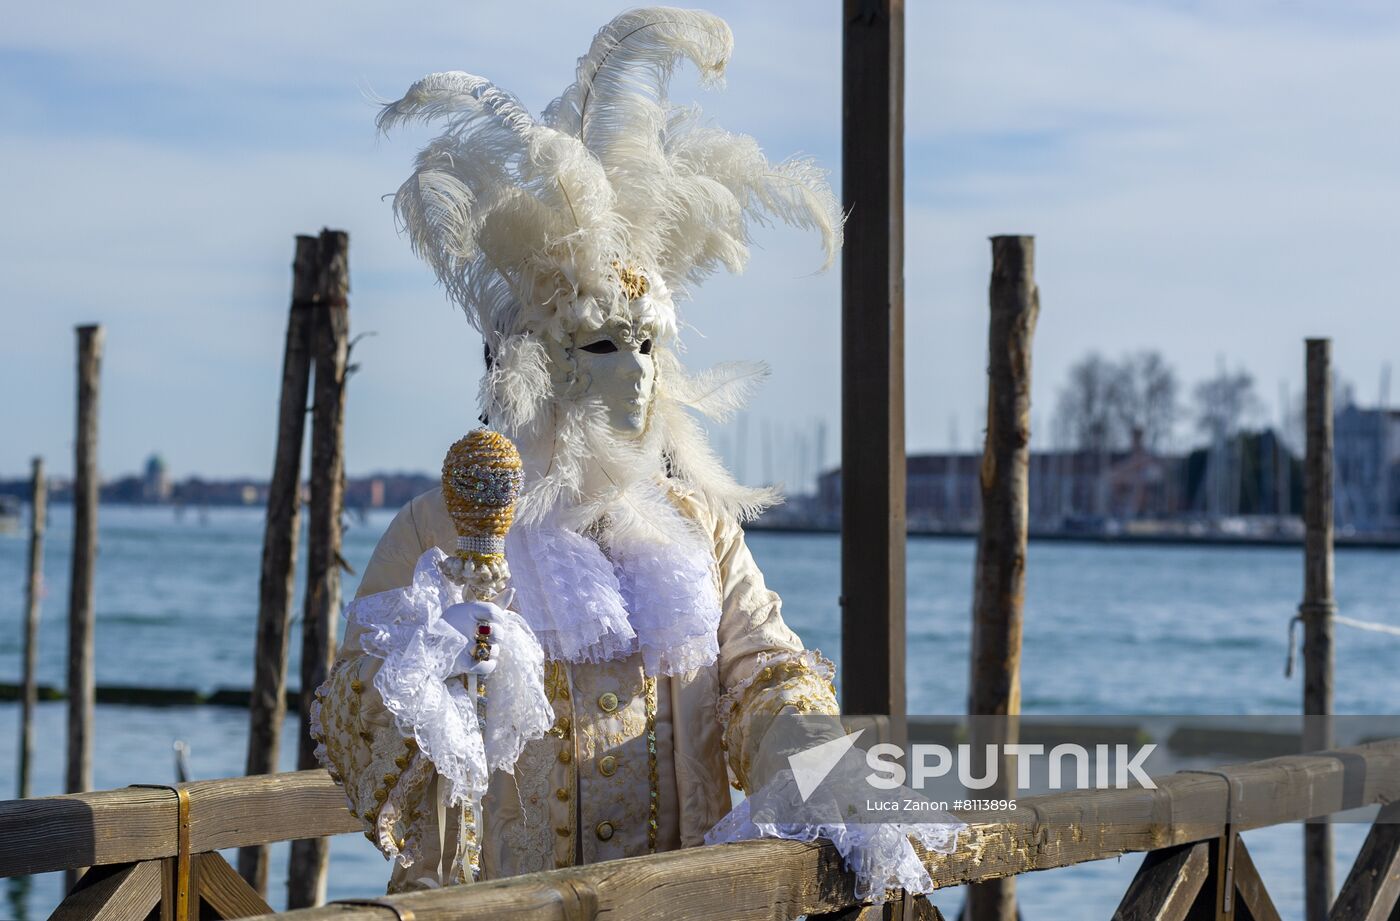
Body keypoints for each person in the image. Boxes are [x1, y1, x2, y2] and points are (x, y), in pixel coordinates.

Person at [311, 6, 959, 900]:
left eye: (651, 346)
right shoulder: (436, 527)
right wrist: (433, 669)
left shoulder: (697, 527)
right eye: (603, 348)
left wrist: (819, 763)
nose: (639, 377)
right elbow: (353, 726)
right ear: (535, 361)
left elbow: (760, 668)